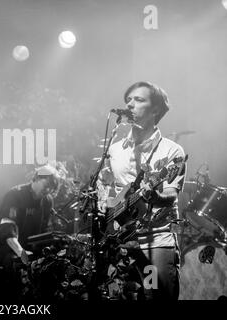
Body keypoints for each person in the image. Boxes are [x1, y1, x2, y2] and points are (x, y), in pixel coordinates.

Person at [97, 81, 186, 300]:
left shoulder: (171, 151)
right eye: (128, 100)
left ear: (155, 109)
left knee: (153, 294)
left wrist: (154, 195)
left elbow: (171, 195)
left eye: (139, 99)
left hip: (154, 240)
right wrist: (103, 203)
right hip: (120, 240)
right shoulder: (115, 149)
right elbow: (106, 186)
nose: (130, 105)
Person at [0, 163, 62, 300]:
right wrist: (21, 253)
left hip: (26, 248)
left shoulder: (48, 201)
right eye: (47, 184)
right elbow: (8, 229)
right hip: (2, 247)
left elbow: (45, 230)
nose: (48, 189)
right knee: (14, 278)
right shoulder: (15, 195)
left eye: (52, 187)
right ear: (37, 178)